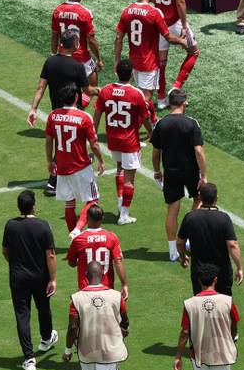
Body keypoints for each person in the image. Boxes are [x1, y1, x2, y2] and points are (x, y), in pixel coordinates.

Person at [29, 28, 99, 197]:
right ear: (75, 43)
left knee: (64, 143)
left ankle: (67, 171)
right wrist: (100, 91)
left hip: (57, 112)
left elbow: (40, 88)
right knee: (69, 144)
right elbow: (87, 90)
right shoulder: (77, 66)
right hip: (74, 111)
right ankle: (53, 182)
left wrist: (33, 109)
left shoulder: (50, 62)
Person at [114, 0, 189, 124]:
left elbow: (118, 38)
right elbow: (167, 37)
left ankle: (152, 121)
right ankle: (133, 127)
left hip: (133, 62)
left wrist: (117, 61)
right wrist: (182, 41)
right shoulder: (154, 13)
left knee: (140, 96)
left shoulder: (127, 11)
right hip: (148, 64)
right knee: (145, 100)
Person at [2, 190, 59, 370]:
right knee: (43, 307)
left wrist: (16, 265)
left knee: (22, 315)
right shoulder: (43, 225)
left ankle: (29, 358)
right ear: (33, 206)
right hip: (40, 277)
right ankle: (46, 339)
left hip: (18, 278)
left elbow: (5, 251)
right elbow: (50, 255)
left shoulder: (10, 225)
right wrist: (53, 279)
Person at [150, 89, 208, 262]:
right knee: (199, 199)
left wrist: (157, 171)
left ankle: (172, 251)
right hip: (190, 171)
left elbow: (156, 152)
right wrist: (204, 175)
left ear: (169, 104)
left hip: (171, 172)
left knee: (172, 210)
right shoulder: (192, 123)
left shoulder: (161, 124)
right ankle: (187, 239)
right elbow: (199, 152)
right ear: (184, 103)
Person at [93, 59, 152, 224]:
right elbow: (145, 118)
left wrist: (93, 134)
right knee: (129, 178)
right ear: (132, 74)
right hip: (129, 141)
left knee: (119, 168)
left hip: (113, 139)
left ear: (117, 73)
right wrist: (151, 132)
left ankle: (120, 203)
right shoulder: (136, 94)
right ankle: (124, 214)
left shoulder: (105, 90)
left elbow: (97, 115)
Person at [44, 84, 105, 239]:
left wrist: (50, 161)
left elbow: (49, 140)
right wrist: (101, 160)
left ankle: (75, 239)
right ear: (77, 97)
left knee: (69, 202)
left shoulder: (53, 116)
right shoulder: (84, 117)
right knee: (93, 200)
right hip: (81, 166)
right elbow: (94, 144)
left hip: (62, 167)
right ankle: (77, 229)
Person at [149, 0, 199, 110]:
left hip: (158, 22)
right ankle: (176, 88)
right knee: (193, 51)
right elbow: (180, 1)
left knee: (161, 63)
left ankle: (161, 98)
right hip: (174, 22)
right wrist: (184, 25)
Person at [62, 261, 130, 370]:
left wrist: (67, 351)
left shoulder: (76, 299)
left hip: (86, 353)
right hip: (110, 353)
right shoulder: (117, 296)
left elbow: (73, 327)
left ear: (86, 274)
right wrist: (124, 330)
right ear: (103, 274)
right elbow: (125, 321)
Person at [172, 263, 240, 370]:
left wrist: (178, 356)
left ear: (199, 280)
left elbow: (185, 332)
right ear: (215, 279)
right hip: (222, 355)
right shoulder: (228, 301)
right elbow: (234, 326)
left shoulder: (190, 304)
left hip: (199, 357)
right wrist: (231, 342)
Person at [177, 183, 244, 297]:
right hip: (222, 273)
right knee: (223, 305)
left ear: (200, 197)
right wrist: (239, 267)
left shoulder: (190, 218)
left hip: (199, 274)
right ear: (216, 198)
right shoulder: (224, 218)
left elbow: (179, 243)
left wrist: (183, 258)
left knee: (201, 304)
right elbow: (232, 245)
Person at [66, 204, 129, 299]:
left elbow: (71, 262)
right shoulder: (111, 237)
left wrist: (81, 262)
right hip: (106, 288)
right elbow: (118, 261)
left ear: (87, 218)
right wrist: (124, 284)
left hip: (86, 290)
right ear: (102, 218)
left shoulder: (78, 239)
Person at [51, 0, 102, 89]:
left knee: (67, 89)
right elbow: (91, 39)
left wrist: (54, 55)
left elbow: (54, 35)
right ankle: (81, 101)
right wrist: (98, 59)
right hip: (82, 58)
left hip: (63, 57)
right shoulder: (85, 13)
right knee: (92, 87)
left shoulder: (57, 10)